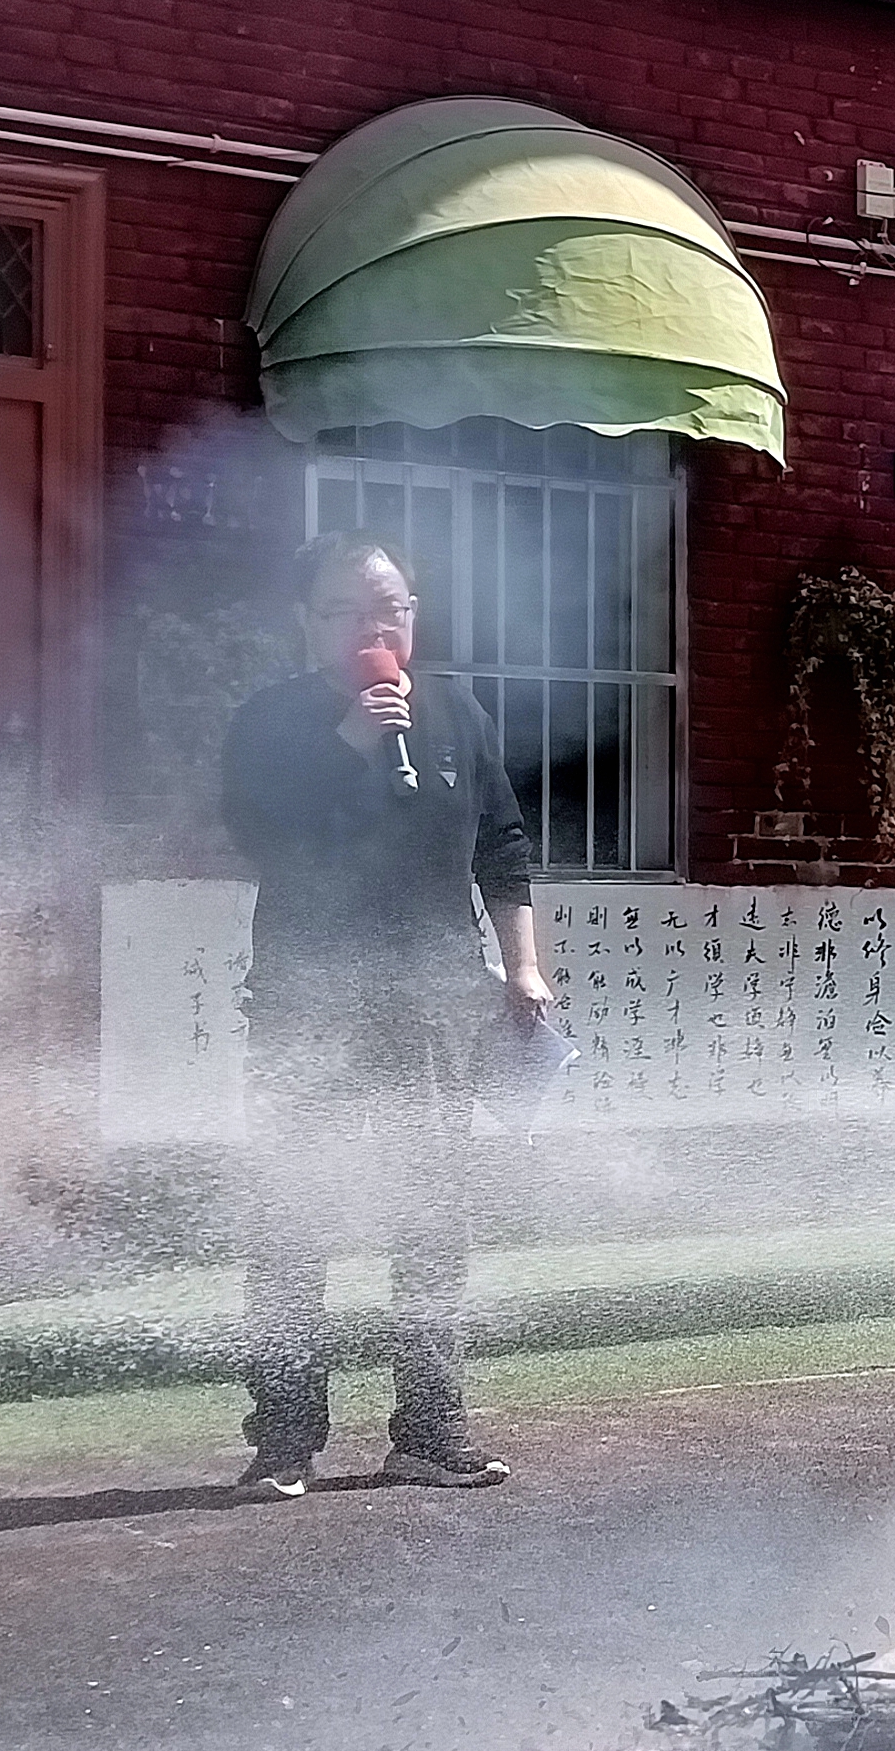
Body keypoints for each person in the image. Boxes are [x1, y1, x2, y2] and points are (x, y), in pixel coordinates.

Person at [220, 531, 549, 1498]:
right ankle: (283, 1441)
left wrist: (522, 966)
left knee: (433, 1214)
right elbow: (260, 838)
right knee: (292, 1212)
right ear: (306, 622)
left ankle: (428, 1430)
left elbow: (503, 841)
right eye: (348, 612)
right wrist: (351, 745)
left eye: (393, 610)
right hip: (307, 1004)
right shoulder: (271, 721)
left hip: (436, 1003)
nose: (375, 628)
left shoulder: (452, 710)